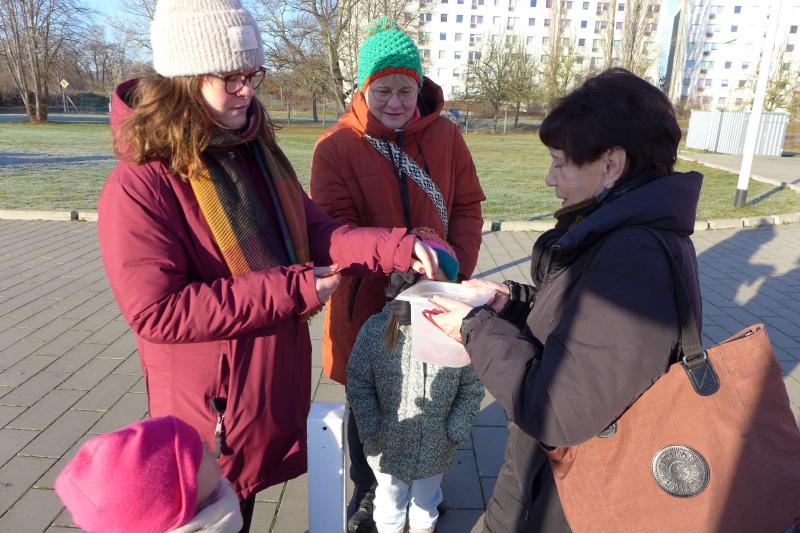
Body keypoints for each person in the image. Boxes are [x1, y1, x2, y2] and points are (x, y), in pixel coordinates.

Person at [96, 1, 440, 531]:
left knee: (245, 512)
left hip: (257, 396)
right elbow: (158, 312)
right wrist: (293, 289)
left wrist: (397, 246)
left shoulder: (252, 151)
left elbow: (317, 232)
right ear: (184, 79)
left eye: (252, 74)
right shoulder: (142, 182)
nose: (246, 90)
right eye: (230, 77)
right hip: (207, 418)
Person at [429, 68, 703, 532]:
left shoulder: (634, 256)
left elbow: (558, 408)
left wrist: (473, 327)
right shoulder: (622, 236)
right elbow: (581, 326)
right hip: (550, 487)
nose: (548, 178)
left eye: (560, 163)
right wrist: (509, 303)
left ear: (612, 165)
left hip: (571, 502)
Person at [309, 17, 485, 530]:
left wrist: (456, 264)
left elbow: (468, 204)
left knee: (435, 388)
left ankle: (425, 481)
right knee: (370, 394)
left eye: (405, 90)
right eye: (382, 90)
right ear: (363, 88)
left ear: (419, 86)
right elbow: (333, 231)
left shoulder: (446, 135)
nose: (394, 101)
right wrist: (397, 255)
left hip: (436, 294)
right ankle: (369, 489)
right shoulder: (336, 147)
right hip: (365, 301)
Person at [346, 234, 484, 533]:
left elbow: (471, 387)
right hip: (387, 446)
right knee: (389, 504)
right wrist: (372, 430)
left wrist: (454, 430)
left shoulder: (457, 335)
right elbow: (359, 383)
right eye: (418, 282)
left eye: (435, 284)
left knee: (426, 504)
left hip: (436, 446)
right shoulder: (376, 330)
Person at [55, 416, 242, 533]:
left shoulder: (217, 502)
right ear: (172, 499)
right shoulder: (220, 519)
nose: (207, 445)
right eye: (195, 453)